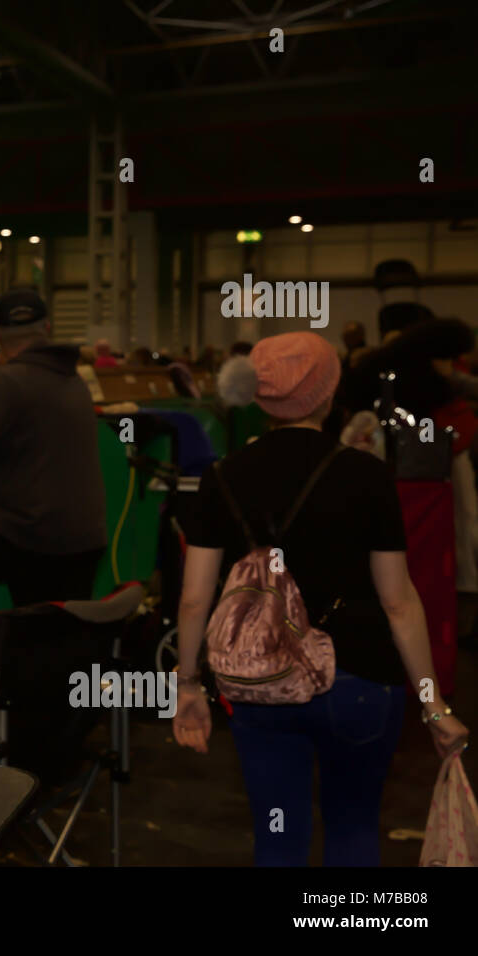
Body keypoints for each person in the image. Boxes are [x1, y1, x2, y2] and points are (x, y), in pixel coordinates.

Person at [175, 331, 468, 866]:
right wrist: (433, 705)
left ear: (259, 398)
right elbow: (400, 602)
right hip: (361, 681)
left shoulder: (220, 477)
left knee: (277, 837)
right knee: (354, 828)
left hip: (260, 682)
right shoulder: (368, 475)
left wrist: (189, 683)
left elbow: (194, 600)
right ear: (331, 396)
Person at [0, 288, 107, 604]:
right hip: (84, 538)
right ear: (47, 328)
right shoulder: (73, 379)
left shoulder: (8, 382)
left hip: (32, 541)